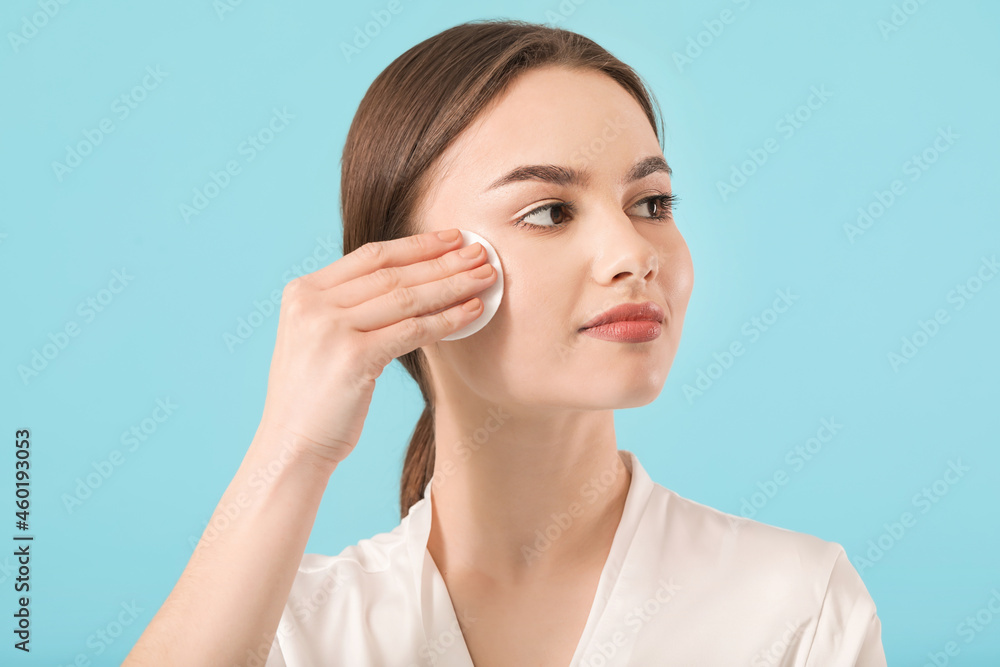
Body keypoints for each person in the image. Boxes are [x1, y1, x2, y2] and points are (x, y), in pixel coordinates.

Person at [124, 19, 887, 666]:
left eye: (651, 202)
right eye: (550, 212)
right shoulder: (288, 631)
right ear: (403, 269)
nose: (634, 253)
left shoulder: (799, 607)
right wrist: (293, 446)